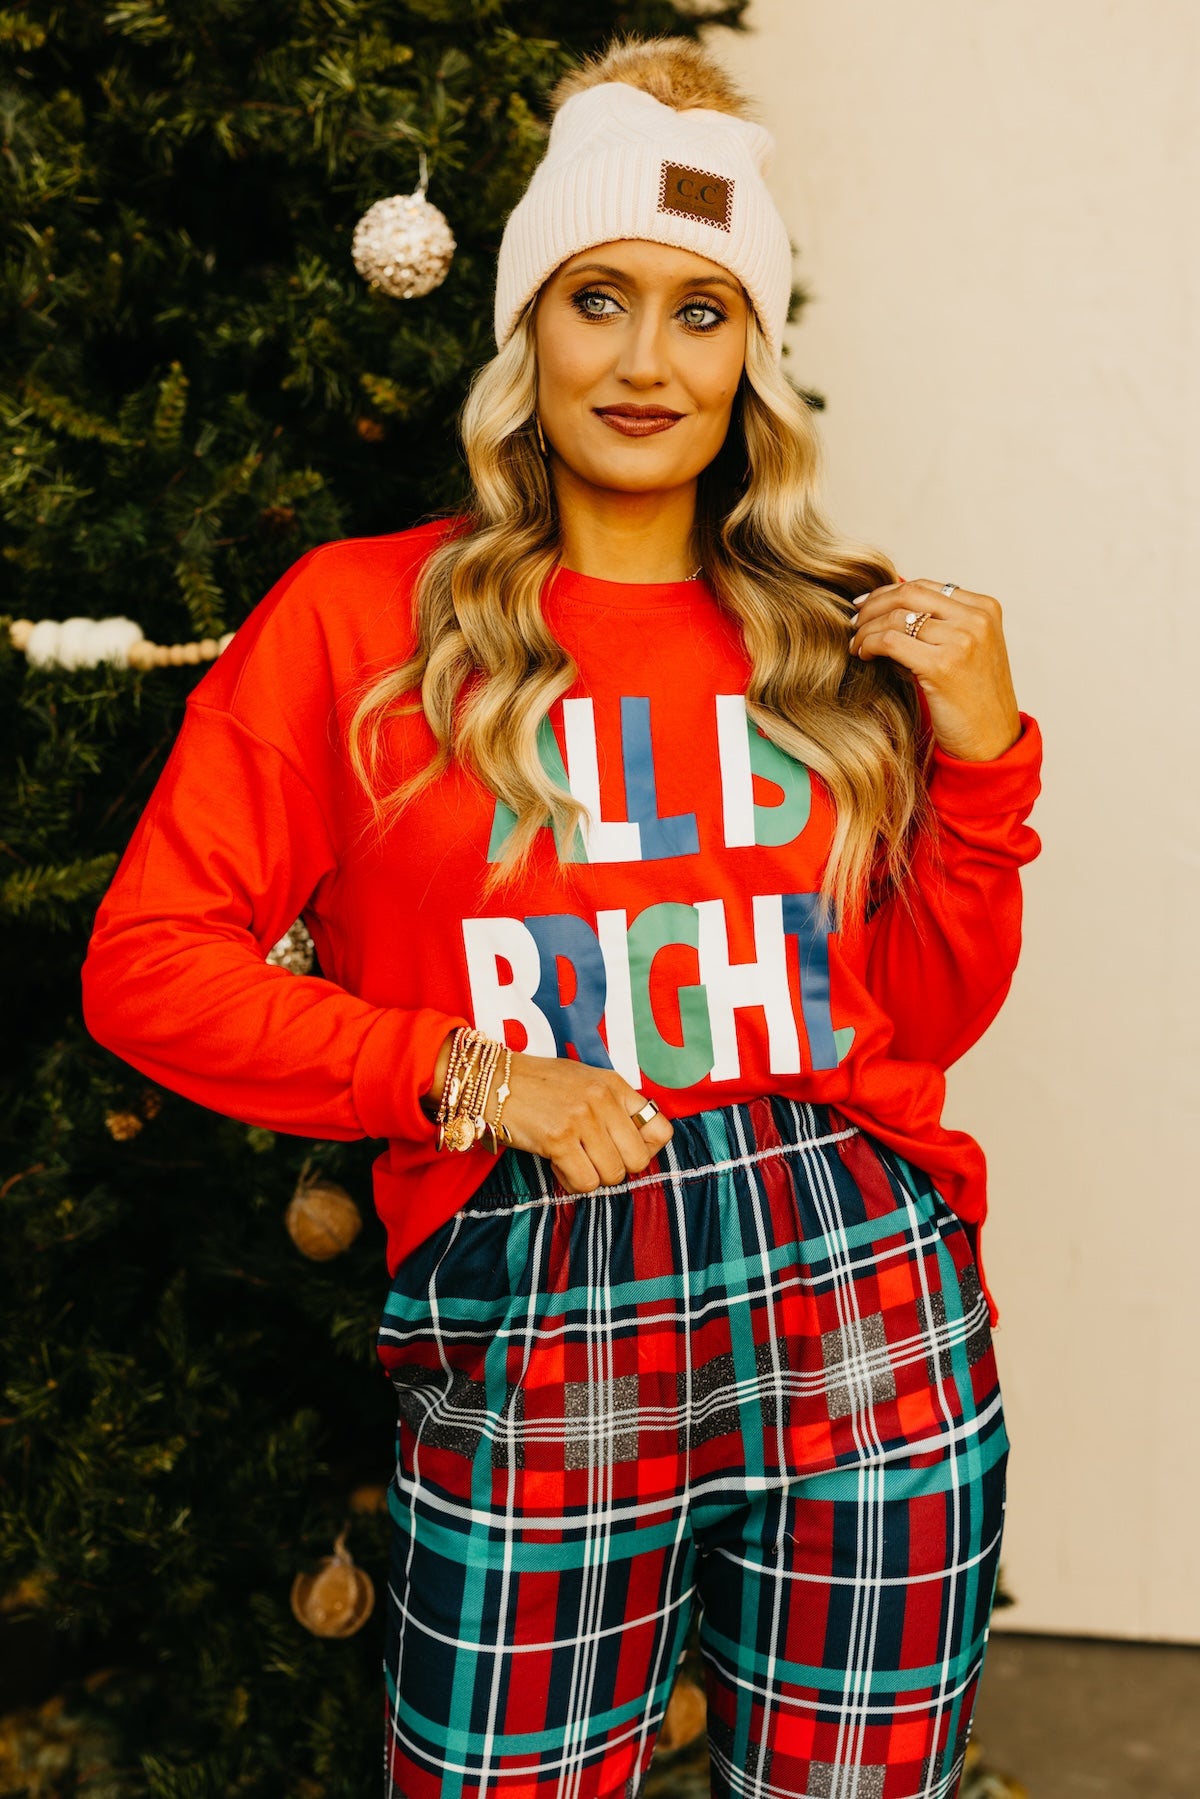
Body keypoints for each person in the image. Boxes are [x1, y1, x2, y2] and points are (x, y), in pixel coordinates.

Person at [82, 35, 1042, 1799]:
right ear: (529, 327)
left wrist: (981, 768)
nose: (646, 361)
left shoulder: (834, 636)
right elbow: (147, 969)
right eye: (600, 298)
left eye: (702, 310)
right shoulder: (361, 624)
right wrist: (465, 1073)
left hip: (869, 1312)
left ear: (752, 356)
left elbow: (917, 1019)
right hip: (540, 1314)